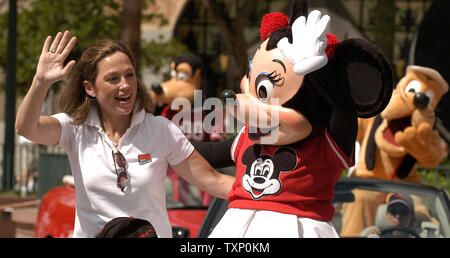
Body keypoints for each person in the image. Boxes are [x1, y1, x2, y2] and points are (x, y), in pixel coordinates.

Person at [15, 31, 234, 238]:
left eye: (130, 75)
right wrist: (40, 81)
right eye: (112, 79)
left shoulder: (161, 129)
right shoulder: (75, 129)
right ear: (90, 88)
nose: (125, 85)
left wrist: (265, 194)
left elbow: (212, 180)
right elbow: (26, 127)